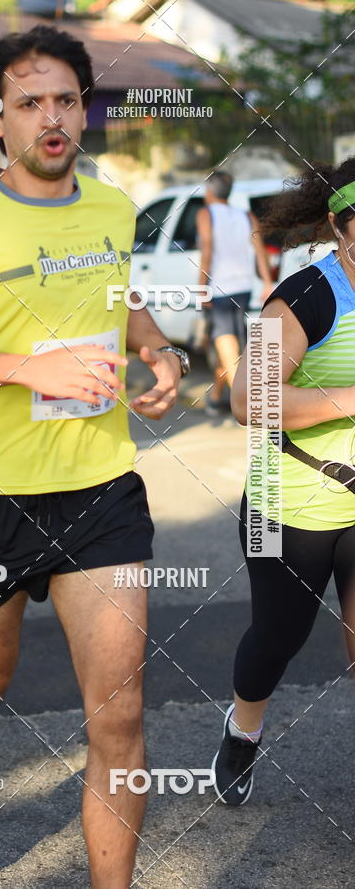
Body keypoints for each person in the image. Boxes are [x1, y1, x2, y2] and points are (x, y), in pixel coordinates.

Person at [0, 24, 190, 882]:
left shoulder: (112, 207)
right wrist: (28, 368)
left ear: (84, 110)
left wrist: (158, 349)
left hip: (101, 489)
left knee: (119, 716)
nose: (50, 117)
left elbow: (118, 297)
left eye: (65, 100)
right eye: (29, 103)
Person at [212, 158, 355, 806]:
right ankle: (243, 729)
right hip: (285, 499)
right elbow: (248, 397)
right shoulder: (306, 296)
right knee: (279, 637)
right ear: (338, 227)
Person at [196, 171, 273, 417]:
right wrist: (267, 283)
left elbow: (207, 250)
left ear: (210, 191)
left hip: (219, 288)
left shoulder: (206, 214)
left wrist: (201, 287)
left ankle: (246, 406)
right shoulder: (246, 216)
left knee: (225, 342)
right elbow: (260, 251)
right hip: (243, 288)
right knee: (227, 347)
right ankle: (215, 398)